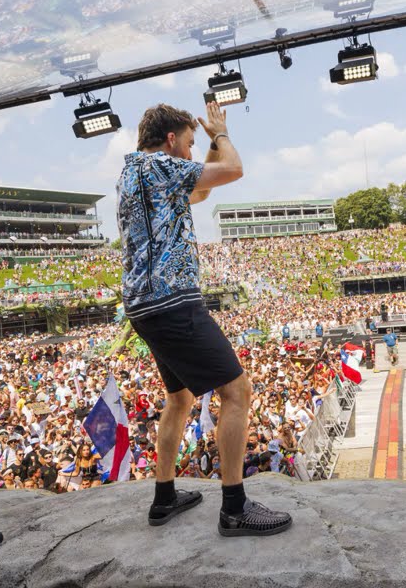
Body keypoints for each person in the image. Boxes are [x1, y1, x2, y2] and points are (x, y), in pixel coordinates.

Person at [118, 101, 291, 537]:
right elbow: (232, 169)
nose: (195, 153)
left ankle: (163, 497)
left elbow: (202, 190)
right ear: (171, 140)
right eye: (190, 144)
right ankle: (234, 507)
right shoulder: (161, 166)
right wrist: (220, 136)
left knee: (179, 399)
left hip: (143, 307)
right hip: (172, 302)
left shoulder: (133, 173)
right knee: (237, 391)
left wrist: (208, 145)